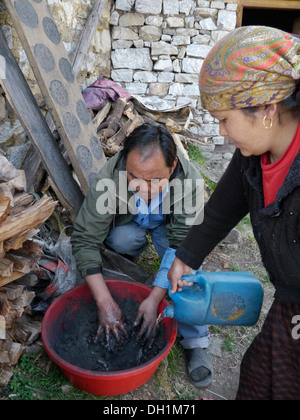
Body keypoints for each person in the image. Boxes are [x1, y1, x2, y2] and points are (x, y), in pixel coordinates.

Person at [168, 26, 300, 400]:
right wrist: (187, 256)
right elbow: (222, 208)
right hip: (291, 294)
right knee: (258, 374)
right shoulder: (253, 158)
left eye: (225, 119)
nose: (224, 134)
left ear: (267, 109)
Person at [71, 122, 213, 387]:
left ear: (171, 169)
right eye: (134, 177)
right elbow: (84, 238)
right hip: (133, 222)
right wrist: (103, 300)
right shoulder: (111, 176)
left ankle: (196, 341)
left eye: (155, 180)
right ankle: (130, 273)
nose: (143, 189)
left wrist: (155, 297)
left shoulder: (190, 181)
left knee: (188, 268)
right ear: (125, 163)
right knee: (120, 239)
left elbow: (184, 246)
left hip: (170, 228)